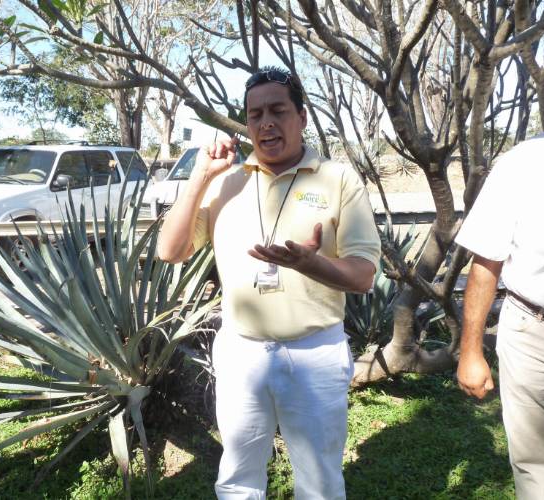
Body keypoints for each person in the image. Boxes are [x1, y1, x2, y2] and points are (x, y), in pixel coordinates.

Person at [157, 67, 381, 499]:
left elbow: (363, 274)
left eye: (278, 111)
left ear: (302, 116)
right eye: (255, 115)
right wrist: (200, 176)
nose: (266, 124)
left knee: (320, 481)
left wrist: (311, 265)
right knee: (238, 477)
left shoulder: (337, 179)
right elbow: (170, 250)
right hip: (241, 350)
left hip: (315, 352)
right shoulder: (227, 181)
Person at [456, 47, 544, 500]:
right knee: (536, 473)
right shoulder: (525, 162)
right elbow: (486, 260)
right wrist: (471, 350)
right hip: (537, 337)